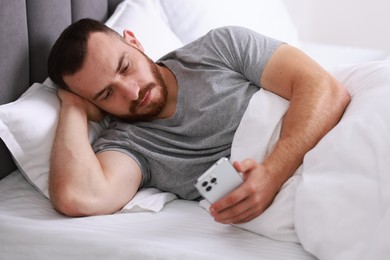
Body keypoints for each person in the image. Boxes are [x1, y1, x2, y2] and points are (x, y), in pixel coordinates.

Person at [47, 18, 350, 223]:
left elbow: (324, 88)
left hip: (336, 140)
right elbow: (79, 196)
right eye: (106, 93)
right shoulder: (129, 143)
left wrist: (271, 174)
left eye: (125, 67)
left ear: (134, 42)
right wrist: (72, 106)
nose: (132, 91)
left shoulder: (219, 48)